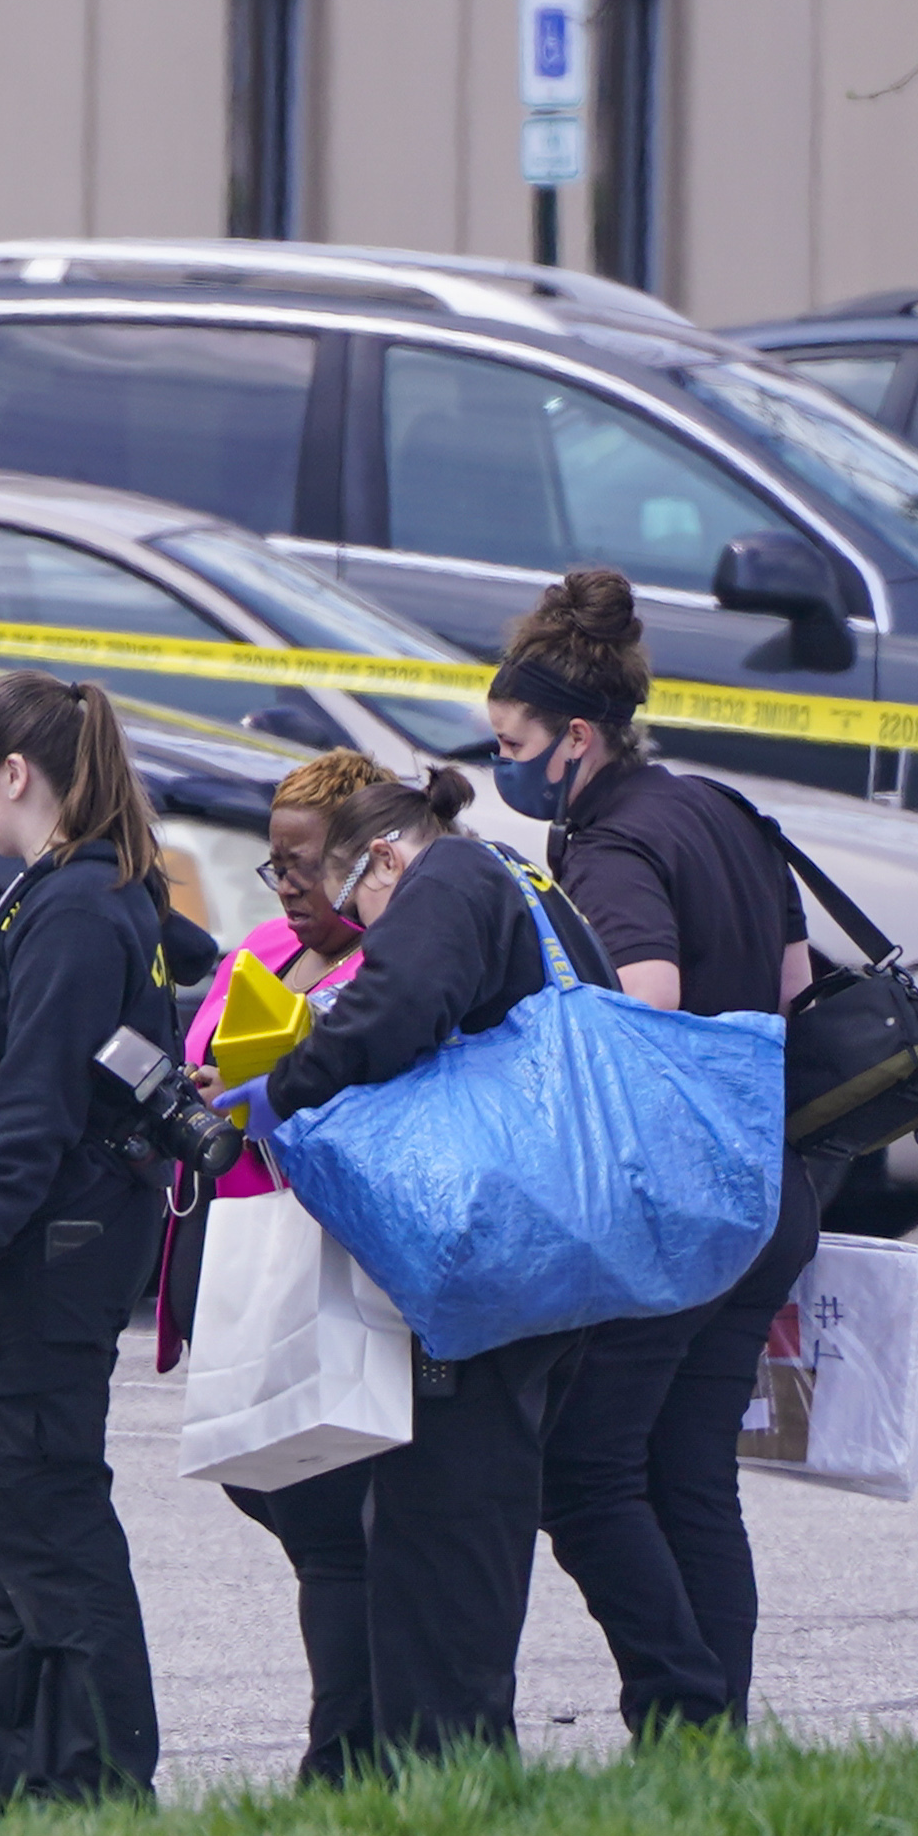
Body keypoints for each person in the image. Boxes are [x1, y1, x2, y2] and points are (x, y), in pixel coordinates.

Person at [227, 756, 620, 1768]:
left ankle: (438, 1773)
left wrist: (278, 1085)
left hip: (489, 1265)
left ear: (386, 857)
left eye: (360, 896)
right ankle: (443, 1765)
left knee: (443, 1522)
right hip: (545, 1253)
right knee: (465, 1514)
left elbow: (394, 1009)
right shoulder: (524, 881)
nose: (356, 921)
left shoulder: (447, 880)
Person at [487, 568, 818, 1735]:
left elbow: (649, 1002)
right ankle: (707, 1740)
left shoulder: (613, 844)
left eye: (513, 741)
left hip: (679, 1207)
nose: (504, 765)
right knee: (687, 1471)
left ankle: (680, 1710)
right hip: (773, 1189)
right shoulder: (718, 807)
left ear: (575, 738)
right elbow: (795, 986)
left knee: (580, 1473)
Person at [0, 669, 173, 1801]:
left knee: (47, 1515)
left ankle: (97, 1775)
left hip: (48, 1247)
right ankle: (10, 1766)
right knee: (1, 1520)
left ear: (18, 772)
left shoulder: (77, 906)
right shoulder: (67, 888)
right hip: (37, 1241)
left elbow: (38, 1096)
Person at [198, 746, 397, 1785]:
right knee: (276, 1495)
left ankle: (344, 1756)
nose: (285, 887)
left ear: (365, 861)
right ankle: (349, 1744)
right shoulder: (268, 948)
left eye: (304, 866)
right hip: (247, 1256)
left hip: (336, 1265)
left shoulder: (395, 963)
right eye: (274, 865)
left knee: (332, 1524)